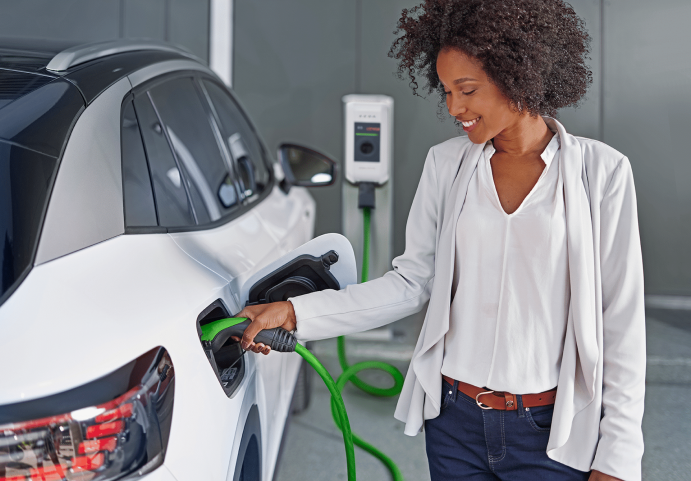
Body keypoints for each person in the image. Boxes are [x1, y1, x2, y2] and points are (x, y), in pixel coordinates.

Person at [235, 1, 646, 480]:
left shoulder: (603, 173)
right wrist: (295, 312)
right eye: (447, 92)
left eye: (467, 90)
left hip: (551, 434)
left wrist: (618, 456)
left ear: (519, 75)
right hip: (455, 425)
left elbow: (620, 320)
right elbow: (410, 284)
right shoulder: (446, 165)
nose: (455, 108)